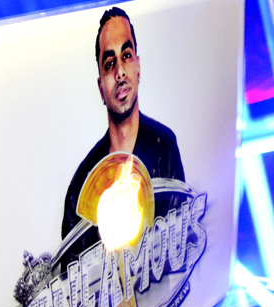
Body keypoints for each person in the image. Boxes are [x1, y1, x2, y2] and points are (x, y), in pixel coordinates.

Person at [60, 6, 185, 268]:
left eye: (126, 56)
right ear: (101, 89)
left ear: (138, 67)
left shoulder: (164, 148)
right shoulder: (80, 189)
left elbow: (181, 248)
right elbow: (70, 280)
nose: (119, 72)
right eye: (109, 64)